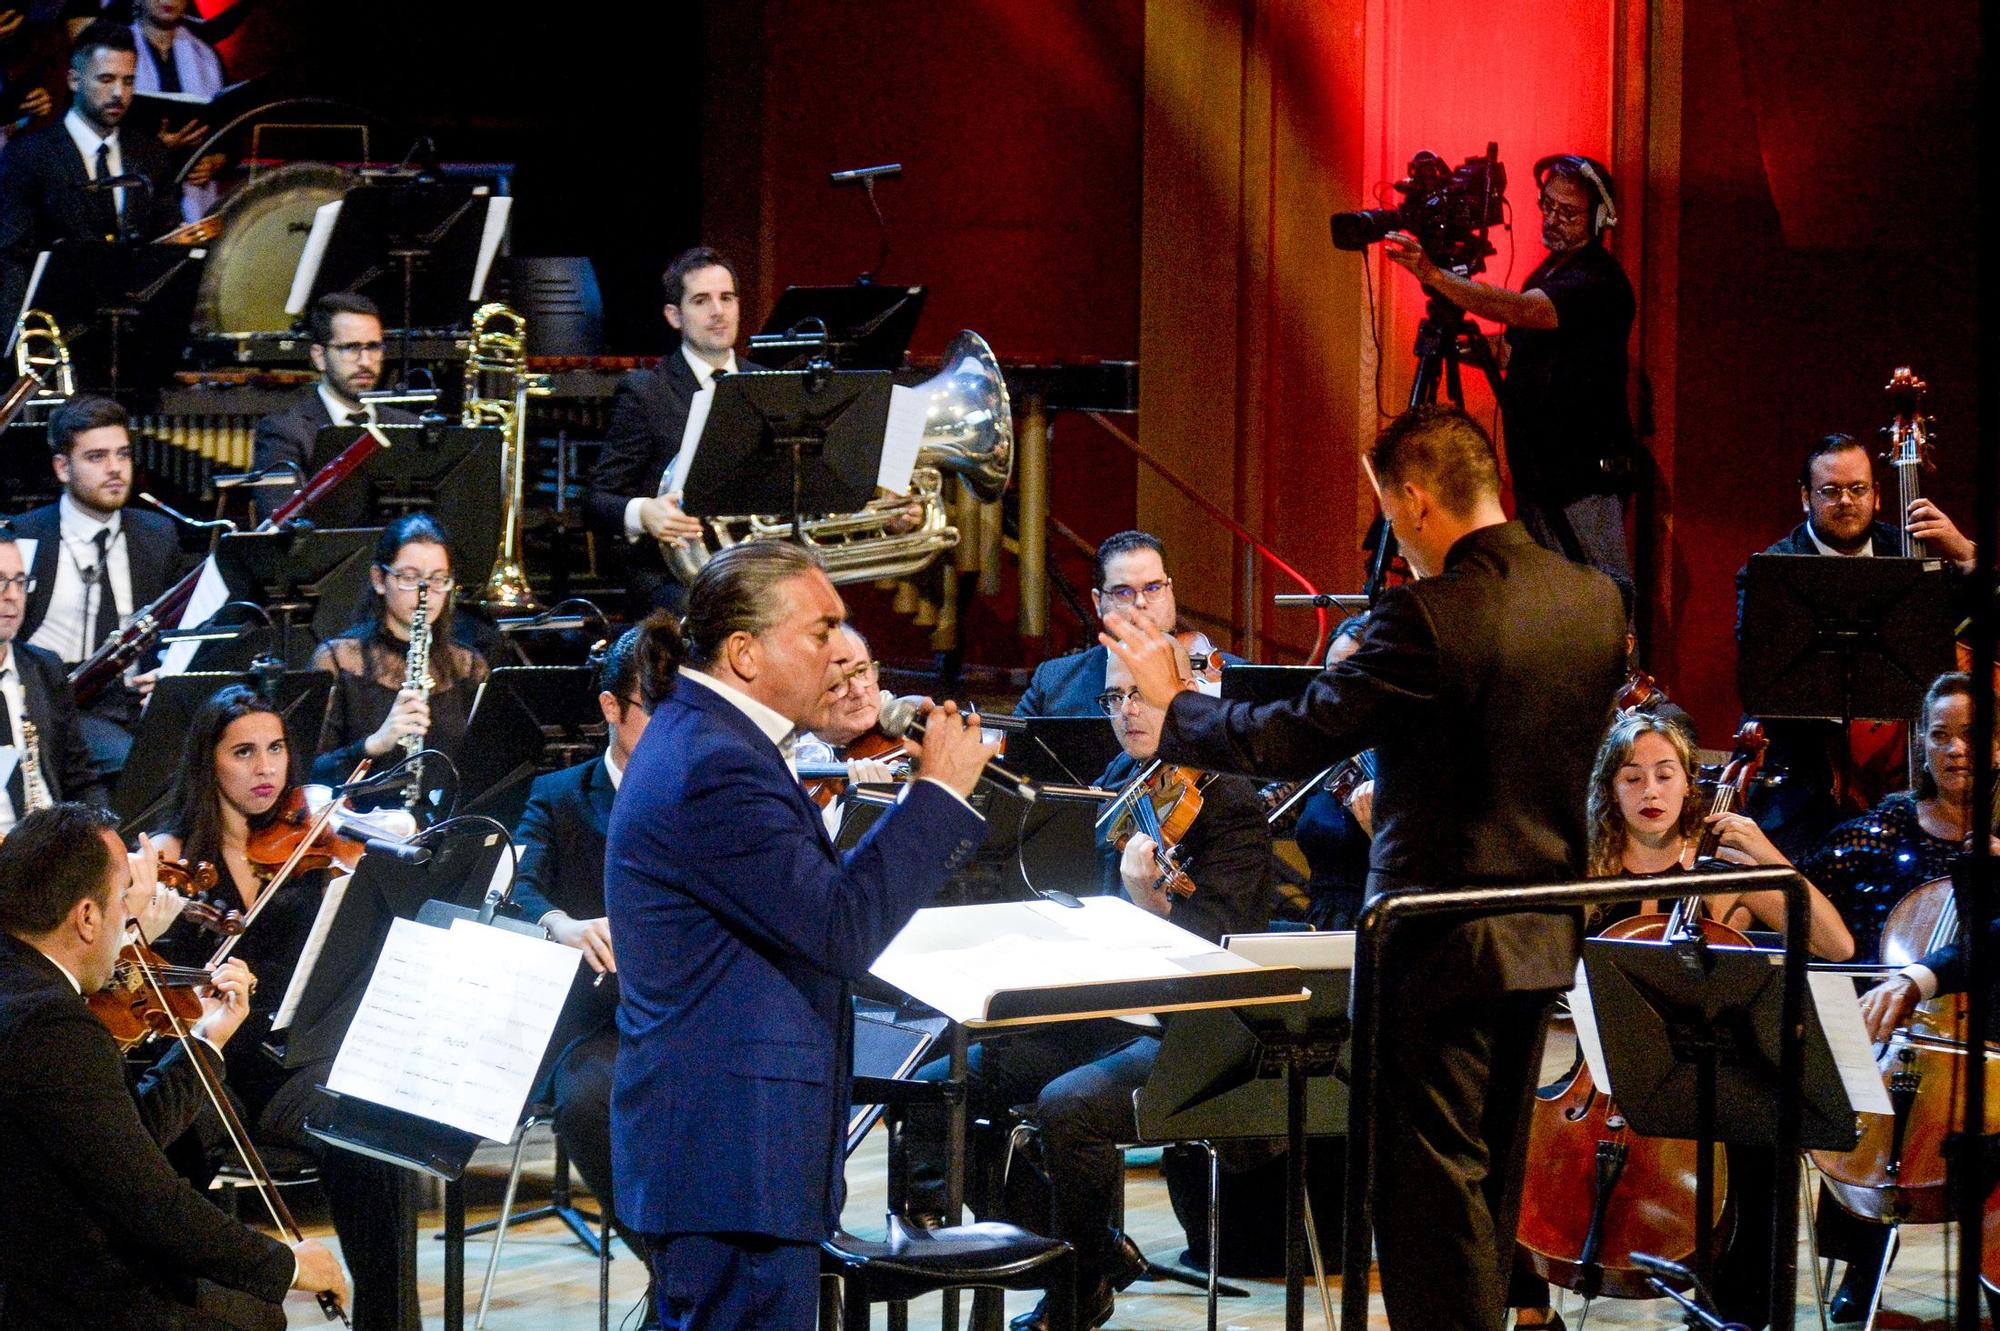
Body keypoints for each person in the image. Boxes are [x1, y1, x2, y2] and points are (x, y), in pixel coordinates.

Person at [1104, 404, 1628, 1331]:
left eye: (1389, 512)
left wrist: (1176, 701)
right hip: (1544, 939)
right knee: (1488, 1189)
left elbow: (1293, 734)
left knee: (1430, 1205)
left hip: (1434, 950)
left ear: (1417, 501)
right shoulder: (1593, 602)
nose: (1394, 534)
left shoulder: (1426, 617)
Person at [604, 540, 996, 1331]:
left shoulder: (715, 740)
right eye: (821, 631)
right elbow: (840, 925)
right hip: (731, 1157)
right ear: (745, 653)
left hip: (731, 1154)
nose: (838, 652)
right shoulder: (716, 761)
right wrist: (939, 796)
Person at [928, 638, 1274, 1331]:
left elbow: (1226, 956)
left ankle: (1076, 1288)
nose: (1125, 710)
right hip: (1105, 1013)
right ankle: (1084, 1251)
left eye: (1139, 693)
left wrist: (1155, 907)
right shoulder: (1119, 777)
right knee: (943, 1088)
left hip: (1193, 1034)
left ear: (1181, 691)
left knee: (1068, 1104)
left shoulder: (1229, 798)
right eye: (1113, 697)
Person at [1509, 711, 1851, 1331]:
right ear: (1609, 789)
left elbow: (1837, 945)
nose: (1651, 792)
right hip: (1601, 1075)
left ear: (1689, 784)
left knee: (1760, 1136)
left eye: (1665, 775)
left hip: (1705, 1075)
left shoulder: (1722, 878)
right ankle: (1529, 1307)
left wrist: (1765, 854)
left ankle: (1737, 1314)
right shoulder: (1584, 871)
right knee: (1507, 1129)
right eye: (1632, 778)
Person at [0, 801, 347, 1330]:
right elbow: (153, 1203)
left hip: (42, 1265)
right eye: (123, 903)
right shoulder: (51, 1023)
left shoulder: (21, 986)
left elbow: (126, 1139)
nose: (129, 925)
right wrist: (290, 1265)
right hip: (52, 1295)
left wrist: (208, 1038)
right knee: (258, 1318)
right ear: (87, 917)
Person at [146, 684, 418, 1330]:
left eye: (275, 749)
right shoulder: (169, 856)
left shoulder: (309, 849)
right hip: (212, 1069)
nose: (265, 768)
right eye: (244, 752)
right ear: (208, 763)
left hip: (293, 1070)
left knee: (370, 1138)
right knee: (179, 1138)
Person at [506, 613, 678, 1328]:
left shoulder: (699, 788)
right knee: (587, 1103)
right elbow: (514, 887)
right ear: (611, 707)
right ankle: (675, 1273)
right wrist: (564, 924)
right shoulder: (560, 792)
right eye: (653, 712)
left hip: (684, 1013)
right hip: (598, 1019)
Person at [1383, 154, 1637, 594]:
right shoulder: (1551, 270)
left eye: (1569, 212)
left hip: (1582, 483)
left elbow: (1525, 311)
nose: (1553, 219)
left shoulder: (1597, 279)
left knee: (1600, 599)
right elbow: (1518, 348)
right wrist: (1464, 346)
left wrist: (1432, 274)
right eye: (1548, 206)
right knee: (1551, 602)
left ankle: (1621, 665)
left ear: (1600, 218)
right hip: (1541, 479)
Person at [1735, 433, 1980, 862]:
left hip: (1898, 769)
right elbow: (1762, 671)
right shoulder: (1771, 569)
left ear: (1877, 495)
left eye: (1858, 489)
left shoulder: (1911, 551)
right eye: (1830, 491)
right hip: (1807, 771)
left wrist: (1967, 556)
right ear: (1806, 499)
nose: (1845, 501)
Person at [12, 394, 191, 774]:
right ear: (63, 468)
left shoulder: (156, 534)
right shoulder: (23, 537)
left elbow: (185, 628)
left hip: (134, 700)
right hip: (57, 704)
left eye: (123, 454)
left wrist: (170, 674)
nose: (115, 469)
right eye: (97, 457)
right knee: (137, 765)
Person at [585, 245, 767, 616]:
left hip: (756, 568)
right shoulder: (645, 392)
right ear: (674, 316)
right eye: (701, 300)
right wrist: (645, 513)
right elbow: (597, 500)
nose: (718, 311)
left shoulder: (767, 385)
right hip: (670, 576)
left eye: (726, 298)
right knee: (720, 619)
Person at [0, 20, 180, 324]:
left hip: (132, 335)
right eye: (106, 79)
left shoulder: (150, 157)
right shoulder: (29, 157)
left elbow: (167, 244)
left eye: (128, 81)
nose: (118, 94)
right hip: (54, 333)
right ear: (73, 80)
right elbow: (10, 260)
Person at [309, 512, 489, 789]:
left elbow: (487, 767)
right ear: (380, 579)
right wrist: (375, 743)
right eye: (409, 577)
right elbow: (310, 774)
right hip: (357, 826)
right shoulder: (338, 660)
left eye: (438, 579)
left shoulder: (469, 666)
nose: (424, 592)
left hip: (442, 825)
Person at [1013, 529, 1233, 718]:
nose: (1140, 602)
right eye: (1124, 592)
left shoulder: (1233, 676)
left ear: (1170, 590)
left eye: (1154, 588)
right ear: (1098, 602)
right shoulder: (1054, 682)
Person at [249, 292, 420, 520]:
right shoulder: (284, 432)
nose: (366, 362)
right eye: (351, 348)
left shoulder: (408, 426)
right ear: (319, 357)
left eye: (374, 347)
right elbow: (282, 525)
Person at [0, 529, 105, 831]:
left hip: (52, 850)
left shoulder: (44, 668)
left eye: (20, 582)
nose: (12, 595)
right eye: (0, 581)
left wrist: (104, 835)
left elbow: (79, 778)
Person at [129, 0, 225, 221]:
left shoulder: (205, 55)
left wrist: (215, 162)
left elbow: (227, 134)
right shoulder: (116, 51)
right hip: (136, 191)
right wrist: (156, 148)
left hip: (194, 196)